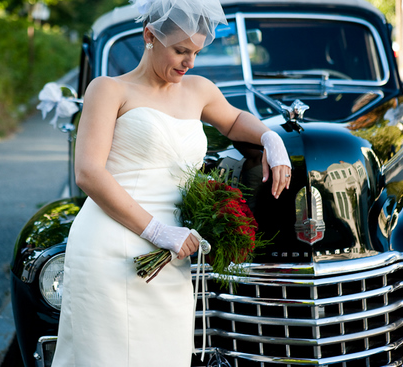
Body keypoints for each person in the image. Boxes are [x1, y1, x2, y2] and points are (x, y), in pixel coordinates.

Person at [51, 0, 291, 366]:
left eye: (195, 52)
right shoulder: (108, 89)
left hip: (172, 255)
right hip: (112, 245)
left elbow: (233, 120)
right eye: (180, 50)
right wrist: (158, 230)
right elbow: (88, 172)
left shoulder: (198, 90)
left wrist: (270, 139)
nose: (189, 62)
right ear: (150, 36)